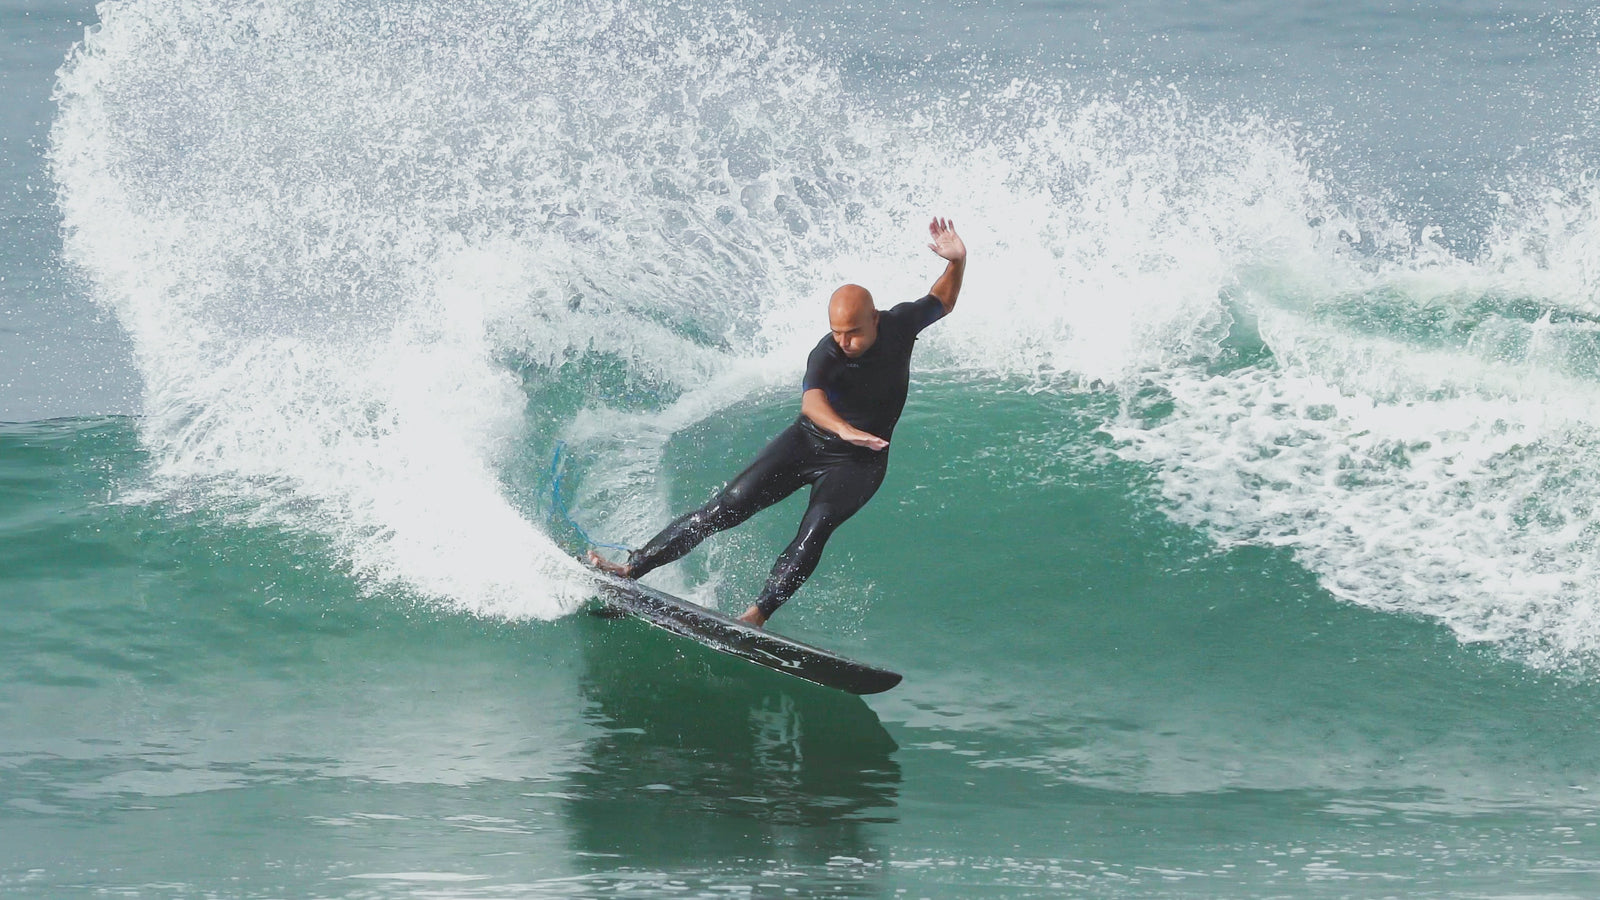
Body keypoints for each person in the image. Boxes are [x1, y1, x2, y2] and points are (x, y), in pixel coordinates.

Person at [588, 217, 967, 626]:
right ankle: (632, 568)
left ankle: (756, 615)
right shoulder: (828, 352)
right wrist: (842, 429)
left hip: (860, 462)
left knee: (817, 526)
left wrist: (957, 262)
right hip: (808, 441)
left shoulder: (899, 324)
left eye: (853, 332)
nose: (844, 342)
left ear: (875, 318)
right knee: (724, 507)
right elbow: (812, 401)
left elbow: (940, 301)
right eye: (837, 332)